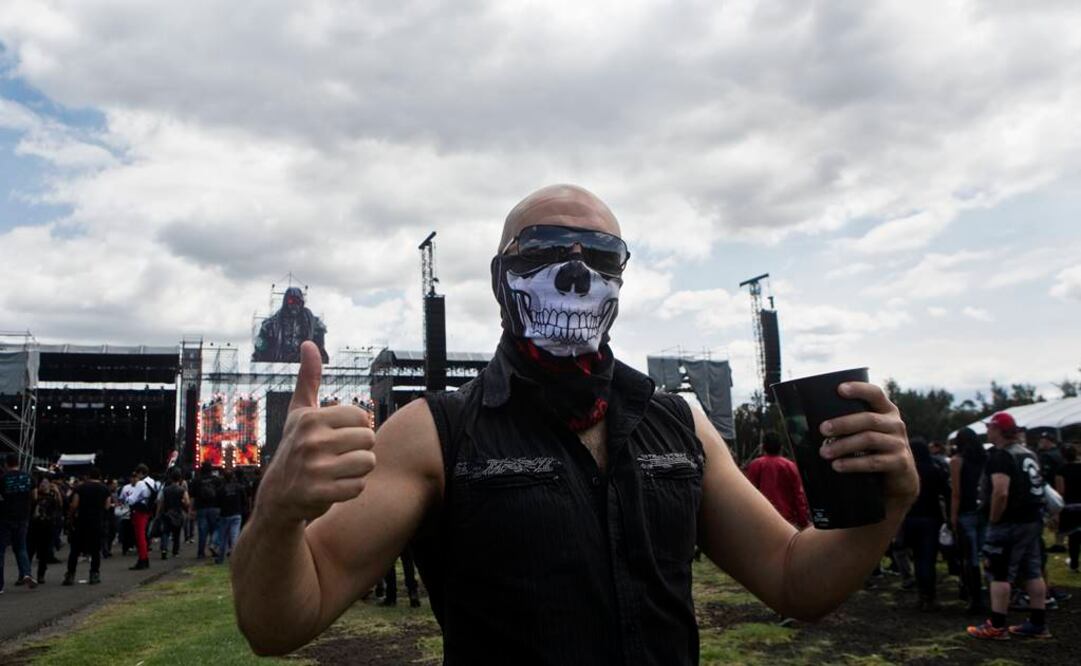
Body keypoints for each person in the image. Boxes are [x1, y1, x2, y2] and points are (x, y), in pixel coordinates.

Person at [231, 184, 918, 662]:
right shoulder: (433, 434)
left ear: (622, 280)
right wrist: (278, 512)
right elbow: (279, 623)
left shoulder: (676, 421)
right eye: (544, 254)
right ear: (500, 279)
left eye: (600, 258)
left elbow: (796, 581)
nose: (574, 273)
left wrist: (887, 506)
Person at [967, 412, 1051, 640]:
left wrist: (994, 519)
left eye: (990, 428)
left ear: (998, 430)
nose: (987, 432)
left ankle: (996, 624)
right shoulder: (1028, 453)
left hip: (1009, 522)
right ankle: (1037, 622)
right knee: (1032, 570)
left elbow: (1001, 492)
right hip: (1032, 519)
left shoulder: (1001, 457)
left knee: (999, 573)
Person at [903, 437, 950, 611]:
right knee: (928, 559)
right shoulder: (935, 469)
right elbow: (946, 492)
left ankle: (921, 595)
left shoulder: (908, 470)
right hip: (931, 518)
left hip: (910, 518)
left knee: (916, 558)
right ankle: (930, 595)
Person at [950, 427, 988, 614]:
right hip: (984, 511)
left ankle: (975, 598)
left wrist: (953, 517)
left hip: (966, 512)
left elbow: (956, 493)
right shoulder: (985, 459)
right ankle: (990, 591)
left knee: (970, 557)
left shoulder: (957, 461)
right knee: (985, 554)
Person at [744, 432, 810, 528]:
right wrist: (803, 521)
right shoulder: (790, 466)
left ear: (763, 447)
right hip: (787, 521)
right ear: (781, 447)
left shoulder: (756, 464)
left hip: (762, 519)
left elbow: (749, 494)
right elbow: (799, 496)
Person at [63, 467, 110, 586]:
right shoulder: (105, 489)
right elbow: (107, 506)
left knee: (75, 550)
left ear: (88, 476)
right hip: (97, 522)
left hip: (82, 522)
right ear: (99, 476)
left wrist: (70, 516)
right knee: (95, 550)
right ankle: (94, 575)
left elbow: (74, 504)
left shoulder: (80, 488)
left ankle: (70, 575)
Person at [0, 452, 37, 592]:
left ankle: (0, 585)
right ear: (18, 463)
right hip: (23, 516)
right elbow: (35, 496)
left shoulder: (2, 478)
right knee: (21, 547)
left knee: (1, 550)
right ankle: (26, 573)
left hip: (5, 517)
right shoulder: (28, 477)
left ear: (5, 464)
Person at [28, 475, 63, 584]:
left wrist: (57, 492)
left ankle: (41, 575)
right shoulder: (35, 495)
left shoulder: (52, 496)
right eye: (42, 483)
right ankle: (25, 574)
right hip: (34, 526)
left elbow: (60, 505)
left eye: (46, 482)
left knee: (43, 553)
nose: (44, 485)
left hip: (47, 527)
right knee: (30, 551)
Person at [1055, 444, 1081, 572]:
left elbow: (1061, 491)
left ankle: (1074, 564)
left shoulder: (1061, 470)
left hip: (1070, 507)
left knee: (1073, 537)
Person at [126, 464, 156, 570]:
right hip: (148, 510)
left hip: (139, 511)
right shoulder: (152, 482)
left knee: (140, 536)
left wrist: (128, 497)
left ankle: (142, 559)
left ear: (140, 473)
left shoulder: (140, 484)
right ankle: (144, 558)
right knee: (143, 535)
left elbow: (132, 499)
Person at [190, 461, 222, 559]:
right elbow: (221, 493)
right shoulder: (216, 480)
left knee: (202, 531)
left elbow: (192, 496)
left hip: (201, 508)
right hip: (214, 507)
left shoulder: (196, 480)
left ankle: (200, 553)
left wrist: (191, 509)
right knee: (216, 528)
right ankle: (213, 544)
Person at [157, 467, 190, 560]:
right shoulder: (182, 490)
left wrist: (159, 512)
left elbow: (161, 502)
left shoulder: (165, 490)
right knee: (177, 533)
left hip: (167, 513)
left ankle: (164, 549)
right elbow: (187, 502)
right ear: (179, 479)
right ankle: (175, 551)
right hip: (178, 513)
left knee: (165, 532)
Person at [215, 468, 246, 565]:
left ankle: (220, 558)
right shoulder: (239, 487)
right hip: (236, 514)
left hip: (224, 515)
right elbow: (244, 500)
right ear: (233, 477)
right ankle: (236, 558)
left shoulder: (220, 490)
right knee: (234, 536)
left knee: (222, 538)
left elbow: (217, 503)